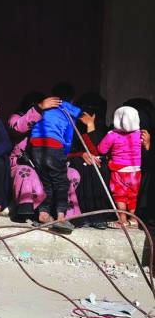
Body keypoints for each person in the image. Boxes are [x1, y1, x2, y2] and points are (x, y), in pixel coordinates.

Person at [8, 91, 81, 225]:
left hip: (46, 161)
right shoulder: (17, 117)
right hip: (24, 162)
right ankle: (30, 210)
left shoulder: (49, 119)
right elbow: (18, 128)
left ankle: (66, 214)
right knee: (27, 174)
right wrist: (38, 110)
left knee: (70, 175)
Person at [27, 83, 81, 232]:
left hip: (36, 146)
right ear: (72, 98)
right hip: (54, 146)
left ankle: (43, 214)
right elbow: (68, 137)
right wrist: (64, 153)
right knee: (61, 182)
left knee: (46, 182)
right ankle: (61, 217)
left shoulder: (45, 106)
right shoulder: (69, 110)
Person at [95, 106, 146, 228]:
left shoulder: (112, 135)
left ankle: (122, 220)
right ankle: (133, 220)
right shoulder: (140, 135)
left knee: (120, 195)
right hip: (135, 171)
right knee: (133, 195)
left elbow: (101, 149)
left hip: (119, 170)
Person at [69, 93, 114, 229]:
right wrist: (80, 154)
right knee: (80, 165)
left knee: (99, 167)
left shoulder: (108, 132)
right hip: (77, 161)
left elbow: (98, 152)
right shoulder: (71, 129)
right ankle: (83, 215)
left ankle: (98, 217)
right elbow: (65, 152)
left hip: (98, 164)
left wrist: (90, 126)